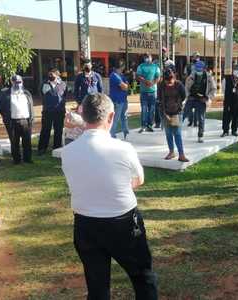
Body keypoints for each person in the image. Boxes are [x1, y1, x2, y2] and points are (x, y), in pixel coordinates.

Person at [61, 93, 158, 300]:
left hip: (85, 224)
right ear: (111, 117)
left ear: (83, 114)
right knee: (143, 277)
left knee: (97, 285)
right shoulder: (123, 149)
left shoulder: (67, 152)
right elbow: (138, 179)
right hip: (123, 223)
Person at [0, 75, 34, 164]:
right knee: (14, 142)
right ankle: (17, 160)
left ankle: (27, 159)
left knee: (27, 141)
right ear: (12, 82)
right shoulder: (5, 94)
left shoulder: (26, 93)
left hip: (25, 121)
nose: (18, 84)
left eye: (19, 82)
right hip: (12, 121)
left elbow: (31, 107)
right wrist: (6, 118)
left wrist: (31, 119)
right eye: (16, 82)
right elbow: (1, 107)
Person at [158, 67, 189, 162]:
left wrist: (177, 105)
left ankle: (181, 154)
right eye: (167, 81)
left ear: (174, 77)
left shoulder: (179, 84)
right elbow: (159, 98)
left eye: (170, 80)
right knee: (168, 133)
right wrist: (164, 112)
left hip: (177, 112)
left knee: (177, 134)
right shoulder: (161, 85)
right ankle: (171, 152)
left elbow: (184, 96)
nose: (169, 83)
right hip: (165, 112)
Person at [185, 60, 216, 143]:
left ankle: (200, 136)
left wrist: (207, 97)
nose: (198, 70)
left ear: (203, 69)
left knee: (201, 118)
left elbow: (213, 89)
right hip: (192, 98)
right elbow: (186, 87)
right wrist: (188, 96)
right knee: (184, 114)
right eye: (197, 68)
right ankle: (177, 133)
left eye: (200, 69)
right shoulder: (191, 75)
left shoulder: (209, 77)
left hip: (202, 99)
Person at [38, 68, 67, 155]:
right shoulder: (44, 84)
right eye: (49, 74)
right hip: (47, 111)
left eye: (52, 74)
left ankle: (57, 148)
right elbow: (41, 94)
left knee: (58, 130)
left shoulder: (63, 84)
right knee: (45, 130)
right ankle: (42, 149)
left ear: (57, 75)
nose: (50, 76)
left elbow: (64, 96)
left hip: (59, 112)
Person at [136, 53, 161, 133]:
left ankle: (149, 126)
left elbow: (158, 77)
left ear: (151, 58)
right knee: (144, 109)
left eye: (148, 57)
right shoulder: (141, 66)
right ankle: (143, 126)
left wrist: (153, 83)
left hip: (153, 92)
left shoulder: (155, 67)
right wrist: (145, 81)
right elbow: (138, 76)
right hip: (143, 92)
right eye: (145, 57)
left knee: (152, 110)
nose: (147, 58)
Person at [109, 60, 130, 139]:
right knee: (116, 118)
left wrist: (126, 85)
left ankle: (126, 131)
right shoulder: (114, 75)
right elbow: (124, 87)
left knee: (124, 116)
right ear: (121, 67)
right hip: (117, 101)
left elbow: (127, 86)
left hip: (123, 99)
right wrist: (126, 85)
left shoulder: (121, 75)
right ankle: (111, 134)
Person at [221, 69, 238, 137]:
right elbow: (223, 89)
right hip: (228, 101)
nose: (236, 73)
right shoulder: (226, 79)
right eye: (235, 71)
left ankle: (234, 130)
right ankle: (225, 131)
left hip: (237, 101)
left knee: (236, 116)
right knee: (226, 116)